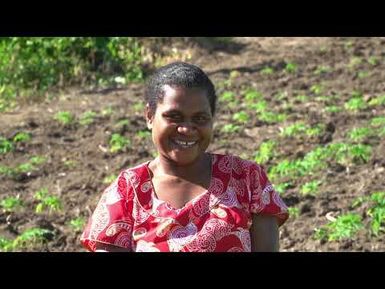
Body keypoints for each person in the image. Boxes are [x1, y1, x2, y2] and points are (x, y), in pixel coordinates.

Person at [80, 62, 288, 252]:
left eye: (199, 118)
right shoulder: (127, 191)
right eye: (174, 116)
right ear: (149, 116)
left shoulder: (245, 178)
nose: (187, 129)